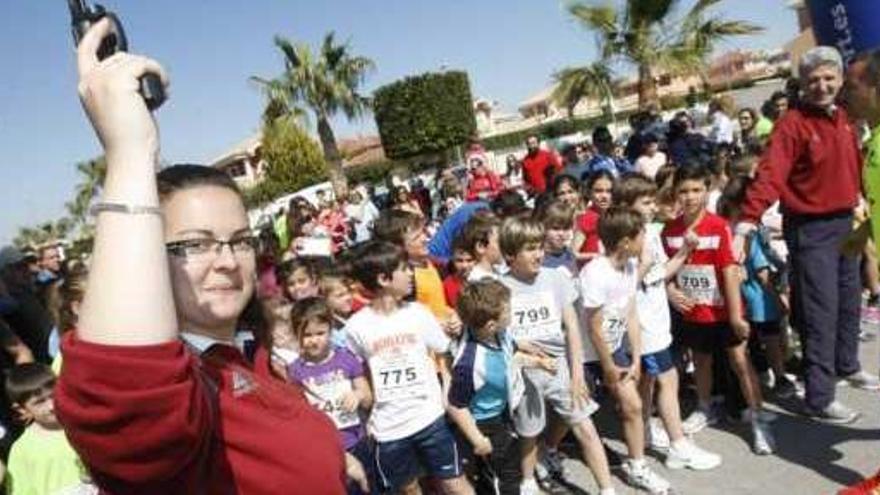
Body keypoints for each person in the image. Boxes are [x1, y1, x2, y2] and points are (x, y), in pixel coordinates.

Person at [55, 20, 346, 492]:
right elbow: (125, 396)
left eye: (240, 240)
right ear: (148, 260)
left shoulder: (251, 358)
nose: (228, 260)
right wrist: (130, 151)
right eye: (195, 244)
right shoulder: (181, 396)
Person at [732, 46, 879, 424]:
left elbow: (856, 163)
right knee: (820, 312)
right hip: (810, 229)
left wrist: (862, 199)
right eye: (813, 79)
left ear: (841, 80)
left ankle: (846, 365)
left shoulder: (846, 116)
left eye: (829, 78)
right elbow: (771, 174)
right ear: (802, 83)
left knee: (850, 299)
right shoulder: (793, 124)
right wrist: (747, 220)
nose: (822, 85)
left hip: (847, 222)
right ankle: (819, 396)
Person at [344, 241, 473, 494]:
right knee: (410, 489)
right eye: (404, 269)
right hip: (388, 429)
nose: (410, 274)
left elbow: (444, 352)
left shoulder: (418, 313)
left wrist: (447, 391)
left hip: (430, 418)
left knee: (456, 484)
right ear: (383, 278)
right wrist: (364, 406)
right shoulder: (356, 328)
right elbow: (358, 374)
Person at [663, 166, 775, 455]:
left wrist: (737, 316)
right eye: (684, 191)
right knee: (701, 360)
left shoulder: (718, 226)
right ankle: (704, 406)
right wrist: (670, 290)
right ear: (675, 193)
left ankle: (758, 418)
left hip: (725, 311)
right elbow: (666, 271)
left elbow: (728, 273)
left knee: (740, 360)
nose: (690, 197)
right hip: (694, 311)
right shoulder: (670, 230)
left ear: (706, 191)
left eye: (696, 190)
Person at [498, 217, 615, 495]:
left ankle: (607, 489)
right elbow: (498, 332)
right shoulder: (500, 286)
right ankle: (528, 480)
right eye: (529, 249)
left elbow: (572, 327)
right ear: (511, 255)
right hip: (524, 371)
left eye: (539, 247)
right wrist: (518, 344)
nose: (538, 254)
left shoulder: (556, 278)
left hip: (559, 367)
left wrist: (576, 373)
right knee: (528, 431)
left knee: (585, 426)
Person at [614, 175, 722, 471]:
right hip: (643, 327)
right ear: (627, 206)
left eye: (652, 200)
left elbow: (661, 273)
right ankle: (679, 445)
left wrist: (685, 251)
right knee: (668, 379)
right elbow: (622, 287)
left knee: (650, 381)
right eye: (646, 202)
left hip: (658, 322)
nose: (652, 206)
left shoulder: (650, 232)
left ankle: (648, 430)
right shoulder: (626, 240)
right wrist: (645, 265)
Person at [580, 207, 673, 494]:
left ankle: (637, 466)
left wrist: (635, 358)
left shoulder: (630, 267)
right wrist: (607, 366)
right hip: (588, 355)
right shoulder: (595, 272)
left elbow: (630, 313)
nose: (645, 239)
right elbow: (594, 326)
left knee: (632, 406)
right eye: (641, 235)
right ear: (624, 242)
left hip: (615, 348)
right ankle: (549, 449)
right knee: (572, 414)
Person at [448, 279, 546, 495]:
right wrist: (478, 439)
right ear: (491, 324)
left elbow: (509, 353)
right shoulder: (470, 364)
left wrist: (536, 361)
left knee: (495, 471)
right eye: (508, 311)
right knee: (507, 475)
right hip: (485, 424)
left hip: (502, 412)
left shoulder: (498, 334)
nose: (512, 313)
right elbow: (455, 405)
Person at [718, 177, 798, 399]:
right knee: (771, 339)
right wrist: (777, 297)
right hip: (760, 297)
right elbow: (762, 270)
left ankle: (758, 376)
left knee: (748, 341)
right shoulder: (749, 232)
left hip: (736, 297)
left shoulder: (724, 228)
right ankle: (780, 377)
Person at [288, 298, 374, 495]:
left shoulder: (346, 358)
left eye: (320, 333)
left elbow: (368, 398)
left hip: (356, 441)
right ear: (296, 334)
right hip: (326, 449)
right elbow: (298, 414)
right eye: (307, 335)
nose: (314, 340)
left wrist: (357, 395)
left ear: (331, 330)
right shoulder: (294, 371)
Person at [5, 363, 91, 494]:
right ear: (21, 409)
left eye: (53, 395)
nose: (51, 406)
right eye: (40, 402)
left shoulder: (84, 426)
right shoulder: (22, 450)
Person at [574, 170, 615, 265]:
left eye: (609, 191)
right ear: (589, 192)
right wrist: (597, 256)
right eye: (598, 191)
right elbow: (573, 253)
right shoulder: (587, 218)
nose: (604, 196)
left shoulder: (614, 216)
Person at [442, 239, 475, 307]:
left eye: (469, 260)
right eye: (459, 261)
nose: (464, 266)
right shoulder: (447, 285)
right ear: (453, 261)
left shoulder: (482, 279)